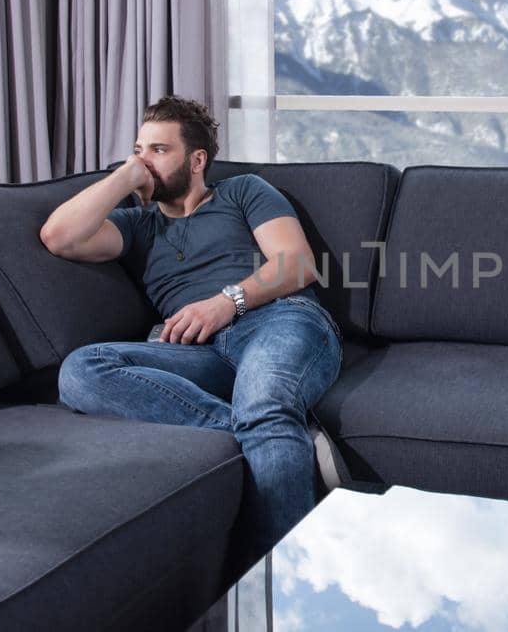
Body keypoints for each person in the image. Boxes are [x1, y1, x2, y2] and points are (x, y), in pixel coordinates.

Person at [39, 95, 342, 561]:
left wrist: (226, 303)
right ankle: (274, 438)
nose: (145, 160)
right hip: (197, 352)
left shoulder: (244, 191)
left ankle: (271, 572)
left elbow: (296, 264)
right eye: (139, 149)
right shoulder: (138, 226)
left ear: (197, 160)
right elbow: (60, 237)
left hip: (277, 320)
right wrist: (126, 176)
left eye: (159, 150)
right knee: (80, 369)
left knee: (263, 402)